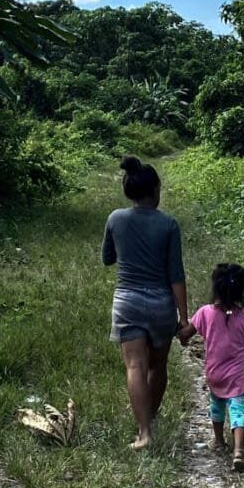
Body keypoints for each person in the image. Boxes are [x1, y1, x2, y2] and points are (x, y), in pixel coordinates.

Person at [102, 156, 188, 450]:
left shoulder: (115, 219)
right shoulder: (169, 224)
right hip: (162, 304)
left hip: (127, 302)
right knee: (158, 365)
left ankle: (144, 432)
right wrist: (184, 318)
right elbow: (176, 274)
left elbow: (107, 258)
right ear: (155, 191)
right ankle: (148, 416)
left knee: (135, 366)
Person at [184, 262, 244, 472]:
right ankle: (238, 450)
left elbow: (186, 334)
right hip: (237, 376)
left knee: (217, 407)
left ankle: (219, 441)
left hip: (215, 374)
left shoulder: (204, 313)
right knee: (238, 410)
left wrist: (178, 333)